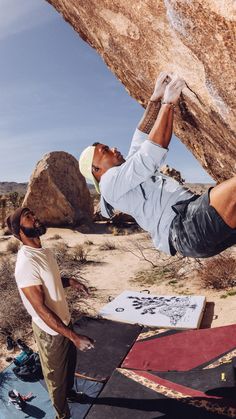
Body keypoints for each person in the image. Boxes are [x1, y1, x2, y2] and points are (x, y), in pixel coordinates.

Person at [79, 72, 236, 258]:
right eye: (105, 151)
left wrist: (155, 98)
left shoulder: (125, 174)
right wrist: (168, 104)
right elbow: (151, 151)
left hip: (192, 229)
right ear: (96, 170)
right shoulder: (108, 183)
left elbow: (141, 135)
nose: (113, 148)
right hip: (185, 226)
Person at [6, 207, 94, 419]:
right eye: (28, 217)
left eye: (33, 214)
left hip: (63, 321)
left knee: (70, 366)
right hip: (50, 332)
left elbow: (50, 282)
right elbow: (40, 308)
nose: (35, 217)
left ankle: (70, 394)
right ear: (19, 232)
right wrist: (73, 336)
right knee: (56, 378)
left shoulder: (43, 251)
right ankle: (62, 415)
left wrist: (70, 282)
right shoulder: (26, 263)